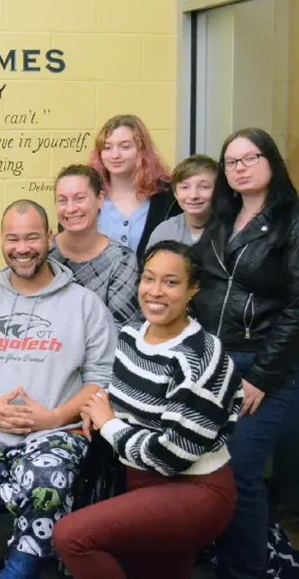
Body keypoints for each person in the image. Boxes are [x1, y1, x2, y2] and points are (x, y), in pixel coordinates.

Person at [0, 200, 116, 579]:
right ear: (1, 240)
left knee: (46, 487)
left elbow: (103, 377)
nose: (22, 247)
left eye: (32, 237)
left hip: (56, 434)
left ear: (49, 238)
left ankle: (16, 574)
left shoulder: (84, 305)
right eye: (13, 238)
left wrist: (55, 416)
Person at [53, 240, 242, 579]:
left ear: (193, 290)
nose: (155, 292)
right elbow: (121, 396)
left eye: (171, 282)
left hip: (194, 488)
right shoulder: (130, 334)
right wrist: (96, 406)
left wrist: (108, 424)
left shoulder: (202, 357)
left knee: (71, 537)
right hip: (141, 482)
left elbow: (171, 455)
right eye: (148, 279)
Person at [190, 128, 299, 579]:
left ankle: (248, 570)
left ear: (271, 161)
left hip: (266, 368)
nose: (239, 168)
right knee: (209, 470)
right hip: (216, 362)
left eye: (249, 158)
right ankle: (230, 555)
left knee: (240, 471)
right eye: (231, 162)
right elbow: (198, 277)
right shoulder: (222, 217)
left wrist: (263, 377)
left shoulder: (292, 220)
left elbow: (297, 306)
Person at [48, 164, 140, 326]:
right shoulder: (45, 253)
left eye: (79, 198)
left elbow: (120, 329)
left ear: (100, 200)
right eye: (62, 200)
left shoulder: (121, 260)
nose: (70, 208)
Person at [88, 114, 178, 259]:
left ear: (142, 151)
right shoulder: (88, 194)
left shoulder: (167, 197)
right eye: (107, 147)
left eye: (125, 147)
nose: (115, 155)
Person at [146, 155, 219, 248]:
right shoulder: (164, 232)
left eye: (204, 187)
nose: (193, 195)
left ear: (218, 190)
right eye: (185, 187)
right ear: (175, 193)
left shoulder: (230, 230)